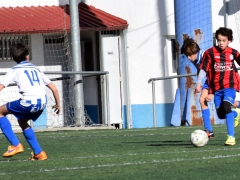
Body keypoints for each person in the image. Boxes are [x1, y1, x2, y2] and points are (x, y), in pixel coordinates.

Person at [0, 43, 60, 160]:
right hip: (42, 103)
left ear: (13, 58)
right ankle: (39, 153)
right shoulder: (36, 69)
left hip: (28, 102)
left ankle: (16, 145)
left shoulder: (14, 70)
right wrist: (58, 104)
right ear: (27, 56)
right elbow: (54, 88)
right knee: (22, 121)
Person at [181, 38, 240, 139]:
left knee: (221, 105)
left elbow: (217, 74)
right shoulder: (196, 59)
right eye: (187, 56)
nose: (189, 58)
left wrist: (212, 92)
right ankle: (209, 131)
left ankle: (213, 129)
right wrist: (199, 84)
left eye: (189, 55)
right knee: (203, 100)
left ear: (195, 52)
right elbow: (202, 72)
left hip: (218, 81)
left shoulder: (207, 56)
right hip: (209, 80)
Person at [196, 27, 240, 146]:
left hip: (230, 85)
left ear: (229, 40)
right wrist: (199, 83)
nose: (220, 43)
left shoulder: (233, 53)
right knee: (221, 114)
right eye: (218, 40)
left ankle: (231, 136)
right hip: (217, 88)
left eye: (223, 40)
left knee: (226, 106)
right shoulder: (209, 53)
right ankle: (236, 114)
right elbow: (204, 69)